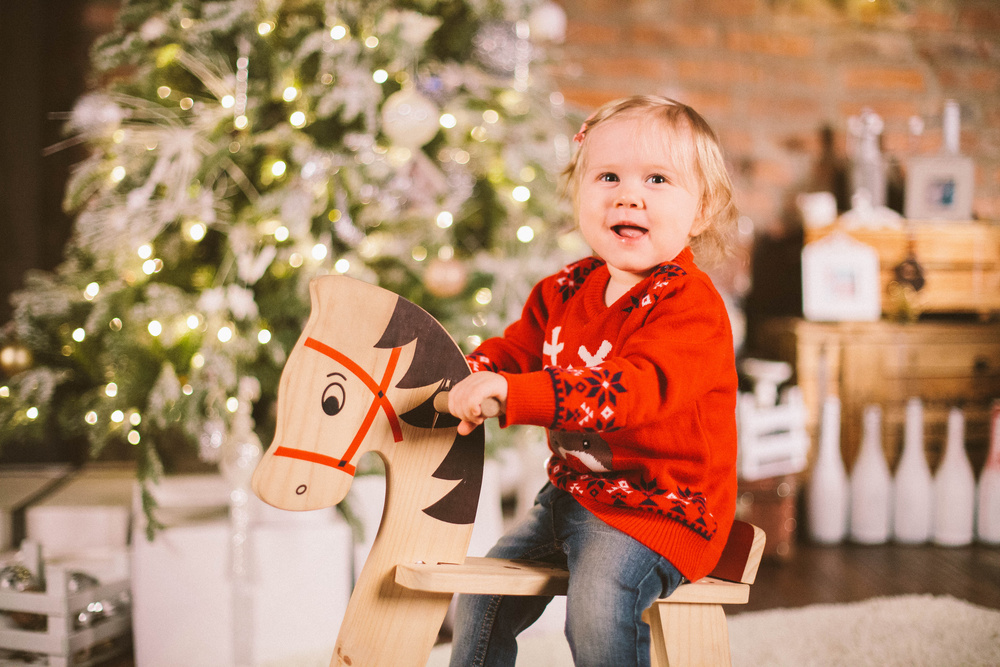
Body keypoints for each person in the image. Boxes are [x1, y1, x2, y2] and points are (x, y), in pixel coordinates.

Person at [444, 94, 740, 667]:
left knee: (599, 606)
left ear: (700, 212)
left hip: (663, 508)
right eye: (608, 176)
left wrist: (515, 396)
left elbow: (628, 391)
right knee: (482, 596)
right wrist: (474, 373)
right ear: (579, 196)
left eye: (657, 179)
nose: (629, 195)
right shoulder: (561, 291)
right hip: (573, 494)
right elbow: (517, 351)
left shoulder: (690, 305)